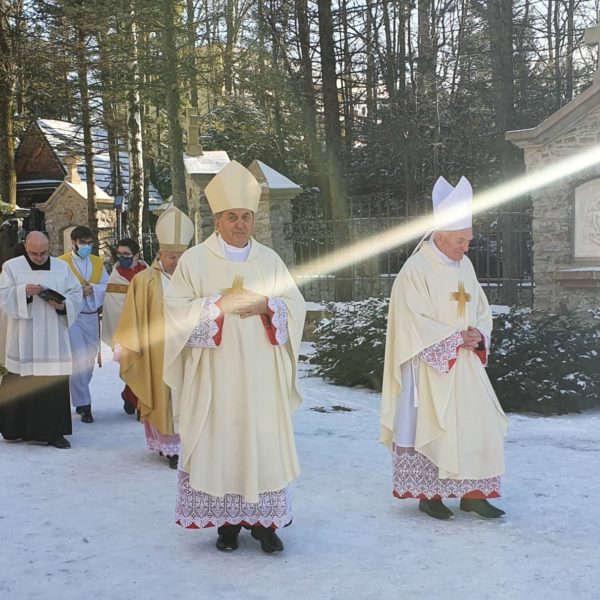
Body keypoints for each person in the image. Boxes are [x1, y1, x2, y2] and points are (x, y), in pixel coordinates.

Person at [163, 160, 306, 553]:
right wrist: (216, 304)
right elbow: (174, 312)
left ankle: (265, 524)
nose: (240, 224)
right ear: (218, 220)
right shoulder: (194, 261)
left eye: (246, 216)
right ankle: (227, 524)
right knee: (222, 441)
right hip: (215, 373)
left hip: (262, 374)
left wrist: (268, 306)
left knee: (261, 442)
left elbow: (295, 305)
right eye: (232, 217)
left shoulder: (270, 260)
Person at [380, 176, 508, 520]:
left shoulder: (465, 265)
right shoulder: (416, 269)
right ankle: (430, 495)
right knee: (434, 426)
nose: (466, 247)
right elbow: (410, 318)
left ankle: (473, 495)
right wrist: (452, 339)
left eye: (468, 240)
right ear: (440, 235)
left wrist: (478, 333)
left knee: (477, 424)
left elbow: (480, 307)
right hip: (429, 366)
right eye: (460, 240)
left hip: (465, 363)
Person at [112, 208, 194, 468]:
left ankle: (191, 444)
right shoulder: (145, 280)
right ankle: (171, 448)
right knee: (164, 396)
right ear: (160, 254)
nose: (177, 262)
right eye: (172, 257)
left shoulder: (197, 278)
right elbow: (132, 318)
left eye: (182, 256)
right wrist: (128, 347)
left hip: (191, 349)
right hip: (158, 351)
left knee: (190, 396)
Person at [0, 231, 82, 448]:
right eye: (34, 254)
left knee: (52, 385)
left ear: (49, 248)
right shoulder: (11, 267)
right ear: (26, 248)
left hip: (53, 336)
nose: (39, 258)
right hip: (23, 336)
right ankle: (16, 429)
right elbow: (3, 295)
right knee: (21, 381)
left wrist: (63, 305)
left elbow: (76, 294)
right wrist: (23, 292)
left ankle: (54, 433)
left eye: (43, 253)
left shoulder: (62, 267)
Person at [59, 226, 109, 424]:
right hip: (73, 317)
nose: (87, 246)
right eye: (83, 243)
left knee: (88, 362)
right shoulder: (61, 263)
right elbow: (57, 289)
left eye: (90, 243)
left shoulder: (97, 262)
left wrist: (94, 289)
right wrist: (79, 291)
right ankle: (84, 405)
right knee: (79, 358)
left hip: (91, 317)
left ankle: (79, 394)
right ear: (73, 243)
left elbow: (107, 286)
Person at [101, 237, 148, 415]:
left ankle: (135, 399)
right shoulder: (116, 276)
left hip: (146, 328)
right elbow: (113, 306)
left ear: (136, 255)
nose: (122, 257)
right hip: (125, 330)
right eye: (119, 254)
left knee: (145, 367)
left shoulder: (148, 273)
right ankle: (132, 398)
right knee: (131, 365)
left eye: (126, 254)